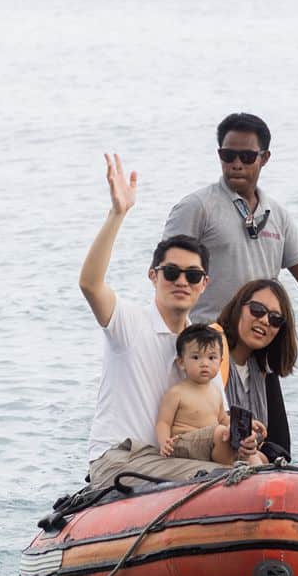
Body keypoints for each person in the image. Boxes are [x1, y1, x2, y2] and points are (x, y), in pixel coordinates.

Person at [80, 154, 261, 490]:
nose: (182, 282)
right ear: (153, 276)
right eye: (171, 272)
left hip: (174, 458)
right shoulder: (129, 323)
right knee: (228, 480)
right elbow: (90, 284)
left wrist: (245, 443)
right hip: (123, 457)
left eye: (192, 276)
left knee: (254, 463)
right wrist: (118, 213)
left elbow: (216, 422)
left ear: (204, 284)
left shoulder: (205, 344)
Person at [164, 112, 298, 353]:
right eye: (228, 155)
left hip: (259, 346)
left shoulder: (277, 216)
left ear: (264, 158)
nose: (236, 164)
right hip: (207, 347)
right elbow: (167, 275)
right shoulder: (196, 207)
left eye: (247, 157)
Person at [155, 324, 267, 465]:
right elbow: (163, 422)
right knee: (221, 433)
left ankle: (257, 472)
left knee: (258, 456)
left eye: (211, 357)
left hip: (213, 443)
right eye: (196, 357)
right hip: (184, 444)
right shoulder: (177, 392)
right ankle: (229, 467)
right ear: (181, 362)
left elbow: (223, 418)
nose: (204, 363)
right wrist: (164, 442)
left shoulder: (215, 391)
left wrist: (245, 425)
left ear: (220, 362)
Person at [214, 278, 298, 455]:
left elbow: (281, 445)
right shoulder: (210, 356)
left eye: (275, 319)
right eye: (257, 310)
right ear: (238, 308)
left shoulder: (263, 370)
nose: (265, 320)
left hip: (256, 464)